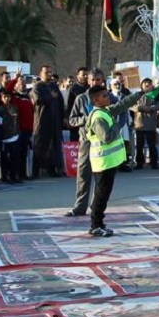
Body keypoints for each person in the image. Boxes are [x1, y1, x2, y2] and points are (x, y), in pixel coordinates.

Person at [85, 84, 143, 237]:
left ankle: (99, 223)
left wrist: (140, 93)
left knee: (104, 193)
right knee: (101, 194)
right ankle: (95, 225)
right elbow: (106, 137)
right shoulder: (98, 117)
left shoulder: (105, 111)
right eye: (104, 96)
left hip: (109, 161)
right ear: (96, 100)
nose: (108, 97)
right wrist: (117, 125)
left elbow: (122, 105)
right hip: (103, 162)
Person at [65, 70, 106, 217]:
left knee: (101, 178)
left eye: (99, 80)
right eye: (93, 80)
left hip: (103, 144)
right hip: (86, 142)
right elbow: (72, 120)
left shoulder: (108, 98)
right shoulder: (81, 99)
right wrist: (87, 119)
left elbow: (118, 114)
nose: (96, 82)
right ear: (89, 81)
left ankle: (97, 208)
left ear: (103, 81)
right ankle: (79, 207)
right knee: (83, 175)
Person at [30, 65, 64, 178]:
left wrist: (63, 117)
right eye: (46, 73)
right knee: (39, 146)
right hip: (42, 121)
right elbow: (37, 100)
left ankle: (52, 170)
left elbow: (60, 102)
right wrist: (50, 96)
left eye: (50, 72)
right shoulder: (37, 87)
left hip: (55, 122)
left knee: (53, 146)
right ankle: (35, 172)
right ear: (41, 74)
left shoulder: (54, 86)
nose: (49, 74)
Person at [130, 78, 159, 169]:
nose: (147, 85)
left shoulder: (155, 95)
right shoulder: (137, 95)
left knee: (152, 145)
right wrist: (139, 108)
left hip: (150, 124)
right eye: (145, 84)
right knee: (139, 145)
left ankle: (154, 162)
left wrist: (151, 108)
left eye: (149, 84)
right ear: (142, 86)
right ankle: (139, 162)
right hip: (139, 124)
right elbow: (131, 105)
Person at [0, 89, 23, 184]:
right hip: (4, 137)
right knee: (4, 158)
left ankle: (15, 175)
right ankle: (5, 176)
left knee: (15, 157)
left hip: (14, 135)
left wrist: (18, 131)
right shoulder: (0, 109)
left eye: (8, 96)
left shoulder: (14, 107)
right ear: (1, 98)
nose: (7, 98)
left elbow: (17, 120)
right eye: (4, 97)